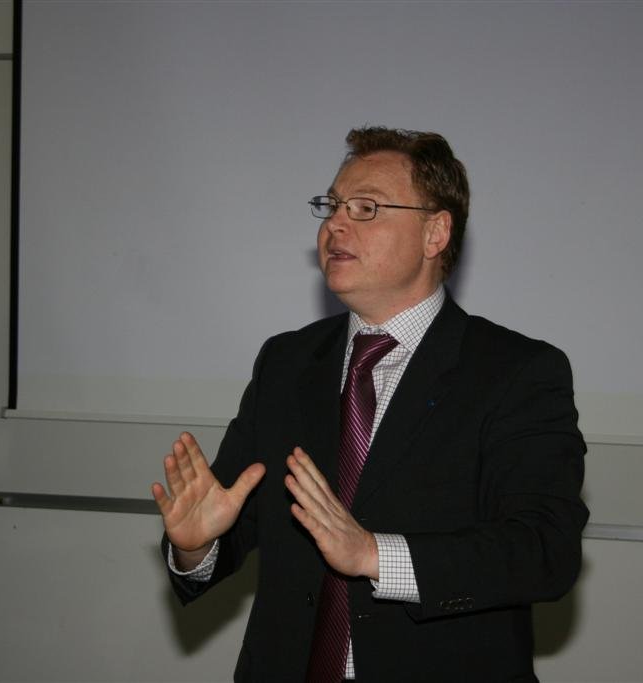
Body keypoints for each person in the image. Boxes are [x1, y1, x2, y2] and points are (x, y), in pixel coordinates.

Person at [153, 127, 588, 682]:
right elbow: (233, 515)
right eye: (332, 206)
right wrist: (198, 548)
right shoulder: (286, 362)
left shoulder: (516, 371)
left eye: (366, 208)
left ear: (435, 232)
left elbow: (544, 551)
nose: (335, 224)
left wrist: (373, 555)